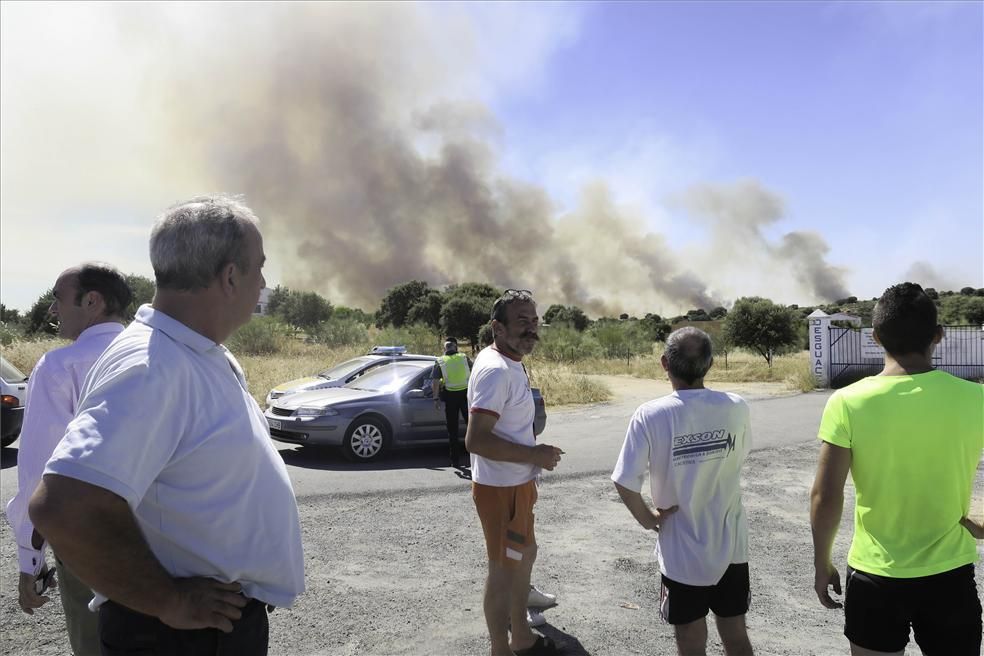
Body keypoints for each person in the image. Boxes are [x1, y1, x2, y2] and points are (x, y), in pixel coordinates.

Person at [28, 195, 305, 656]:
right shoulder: (153, 365)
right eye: (258, 268)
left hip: (207, 628)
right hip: (180, 638)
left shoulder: (193, 352)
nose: (263, 283)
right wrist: (167, 600)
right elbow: (62, 506)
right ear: (230, 276)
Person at [810, 282, 983, 656]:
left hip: (875, 576)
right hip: (950, 574)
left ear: (875, 337)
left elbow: (826, 496)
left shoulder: (847, 402)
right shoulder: (976, 399)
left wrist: (822, 562)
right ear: (938, 336)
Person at [5, 263, 132, 656]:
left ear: (92, 301)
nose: (53, 310)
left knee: (98, 643)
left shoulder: (60, 367)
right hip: (170, 540)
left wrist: (30, 559)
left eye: (58, 299)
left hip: (88, 544)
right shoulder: (163, 355)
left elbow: (40, 472)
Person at [612, 327, 754, 656]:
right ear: (710, 364)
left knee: (690, 639)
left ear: (664, 363)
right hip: (732, 544)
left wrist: (648, 519)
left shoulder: (651, 414)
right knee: (735, 633)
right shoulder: (736, 407)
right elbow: (740, 454)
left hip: (681, 549)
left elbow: (624, 479)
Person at [465, 289, 564, 656]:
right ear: (498, 327)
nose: (531, 329)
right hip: (501, 489)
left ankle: (521, 636)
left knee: (524, 556)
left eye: (534, 321)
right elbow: (476, 440)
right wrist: (534, 453)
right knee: (503, 571)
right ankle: (500, 649)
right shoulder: (494, 371)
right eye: (522, 321)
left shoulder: (509, 361)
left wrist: (532, 459)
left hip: (517, 484)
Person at [431, 337, 472, 467]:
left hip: (451, 397)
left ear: (445, 349)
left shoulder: (441, 361)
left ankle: (455, 461)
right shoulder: (464, 358)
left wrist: (435, 399)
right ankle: (477, 457)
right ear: (455, 348)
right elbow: (476, 372)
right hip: (466, 395)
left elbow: (435, 383)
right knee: (472, 427)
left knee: (452, 431)